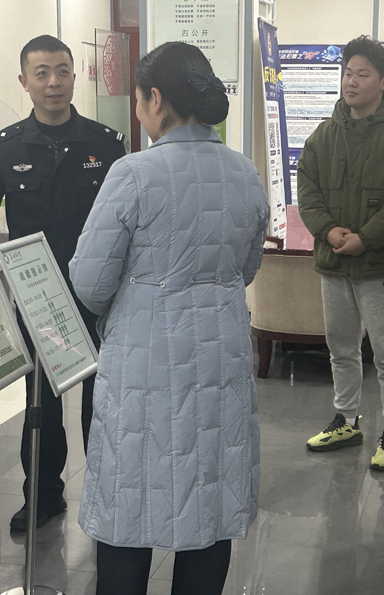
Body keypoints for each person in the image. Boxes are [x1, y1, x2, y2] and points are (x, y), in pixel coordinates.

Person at [68, 42, 269, 595]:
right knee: (210, 499)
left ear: (155, 99)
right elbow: (247, 267)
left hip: (145, 365)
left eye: (138, 99)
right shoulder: (245, 172)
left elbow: (90, 282)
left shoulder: (133, 173)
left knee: (129, 500)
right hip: (221, 359)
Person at [0, 35, 127, 531]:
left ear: (73, 77)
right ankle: (42, 496)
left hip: (99, 294)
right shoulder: (6, 148)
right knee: (40, 402)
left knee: (102, 401)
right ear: (24, 81)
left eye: (61, 71)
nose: (53, 82)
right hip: (37, 296)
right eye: (42, 73)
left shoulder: (106, 145)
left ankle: (107, 494)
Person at [297, 35, 384, 470]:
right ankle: (346, 419)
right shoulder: (324, 134)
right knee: (340, 347)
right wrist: (328, 231)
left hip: (378, 262)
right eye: (348, 73)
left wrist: (364, 238)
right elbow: (308, 189)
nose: (351, 82)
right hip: (334, 260)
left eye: (362, 74)